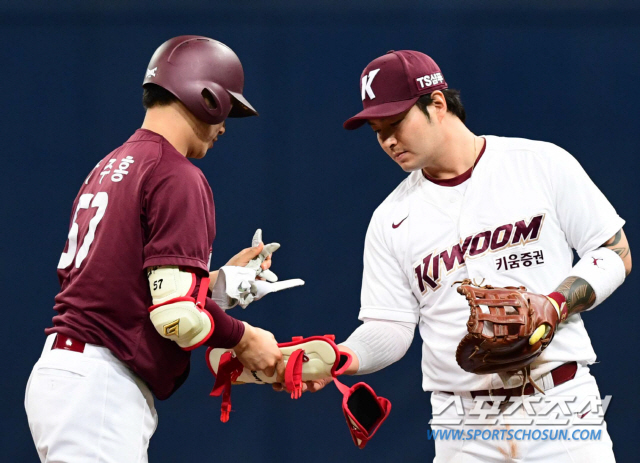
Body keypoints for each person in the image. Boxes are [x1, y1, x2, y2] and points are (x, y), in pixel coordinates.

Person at [299, 50, 631, 461]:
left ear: (437, 103)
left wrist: (555, 304)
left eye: (395, 122)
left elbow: (613, 251)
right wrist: (343, 356)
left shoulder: (538, 164)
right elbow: (390, 325)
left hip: (560, 404)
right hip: (463, 423)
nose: (387, 140)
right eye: (377, 130)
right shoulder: (390, 219)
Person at [24, 35, 295, 462]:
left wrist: (215, 284)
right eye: (227, 108)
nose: (225, 126)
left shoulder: (110, 164)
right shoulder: (176, 173)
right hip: (99, 385)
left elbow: (121, 285)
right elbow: (175, 317)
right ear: (207, 97)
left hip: (71, 374)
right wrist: (244, 338)